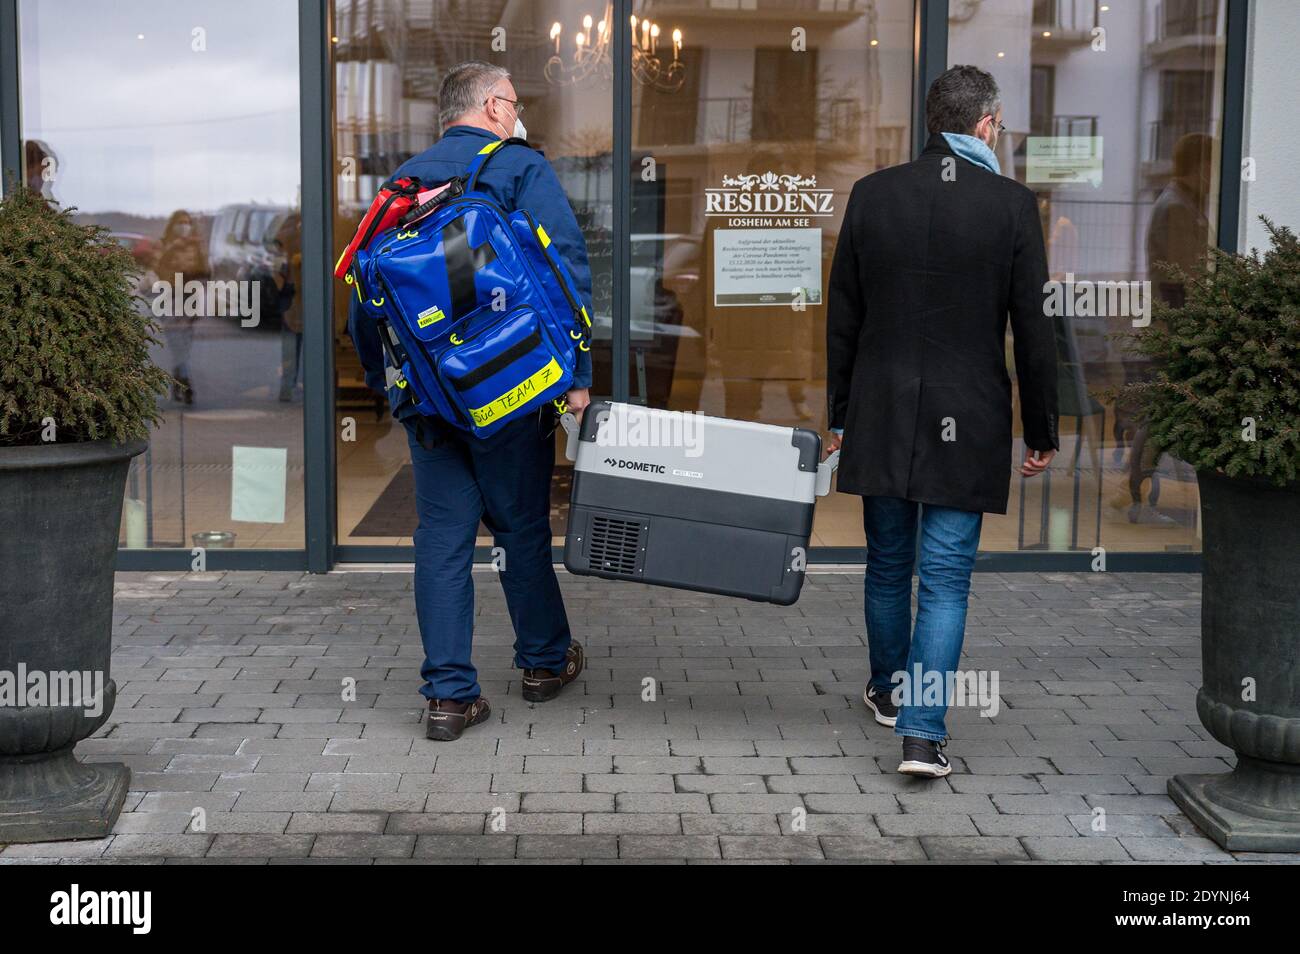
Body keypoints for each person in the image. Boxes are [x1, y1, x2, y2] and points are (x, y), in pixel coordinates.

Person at [825, 65, 1059, 778]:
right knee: (947, 579)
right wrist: (1043, 429)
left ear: (935, 122)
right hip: (970, 413)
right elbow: (1035, 329)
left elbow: (844, 320)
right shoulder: (1012, 207)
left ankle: (889, 693)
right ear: (986, 126)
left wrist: (838, 417)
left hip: (883, 409)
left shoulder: (871, 195)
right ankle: (922, 737)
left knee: (890, 565)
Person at [347, 61, 590, 742]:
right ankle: (543, 664)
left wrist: (388, 385)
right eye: (513, 102)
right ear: (490, 105)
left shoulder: (400, 183)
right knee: (520, 531)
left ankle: (449, 698)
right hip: (510, 391)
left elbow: (364, 309)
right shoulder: (517, 168)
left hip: (431, 401)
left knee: (442, 541)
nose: (517, 113)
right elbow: (566, 268)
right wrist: (576, 372)